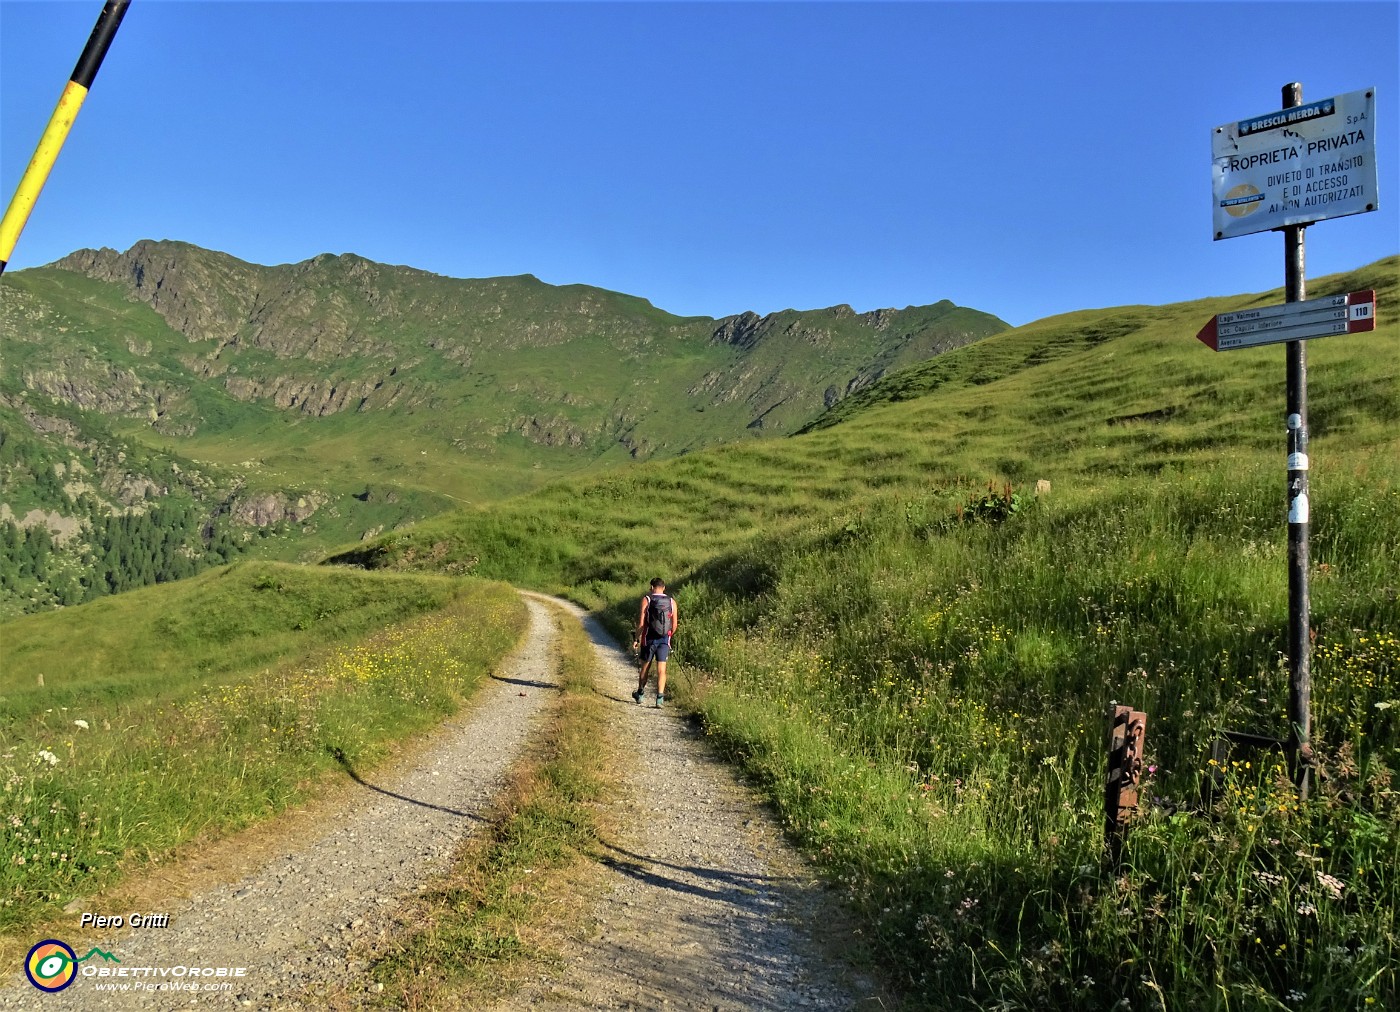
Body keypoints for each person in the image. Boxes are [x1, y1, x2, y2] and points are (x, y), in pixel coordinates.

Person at [632, 577, 677, 707]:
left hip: (649, 638)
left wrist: (636, 638)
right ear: (664, 587)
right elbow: (674, 625)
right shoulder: (671, 601)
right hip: (664, 639)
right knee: (661, 669)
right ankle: (660, 698)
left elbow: (641, 623)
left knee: (645, 667)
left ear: (651, 587)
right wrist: (667, 636)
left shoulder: (647, 599)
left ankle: (640, 694)